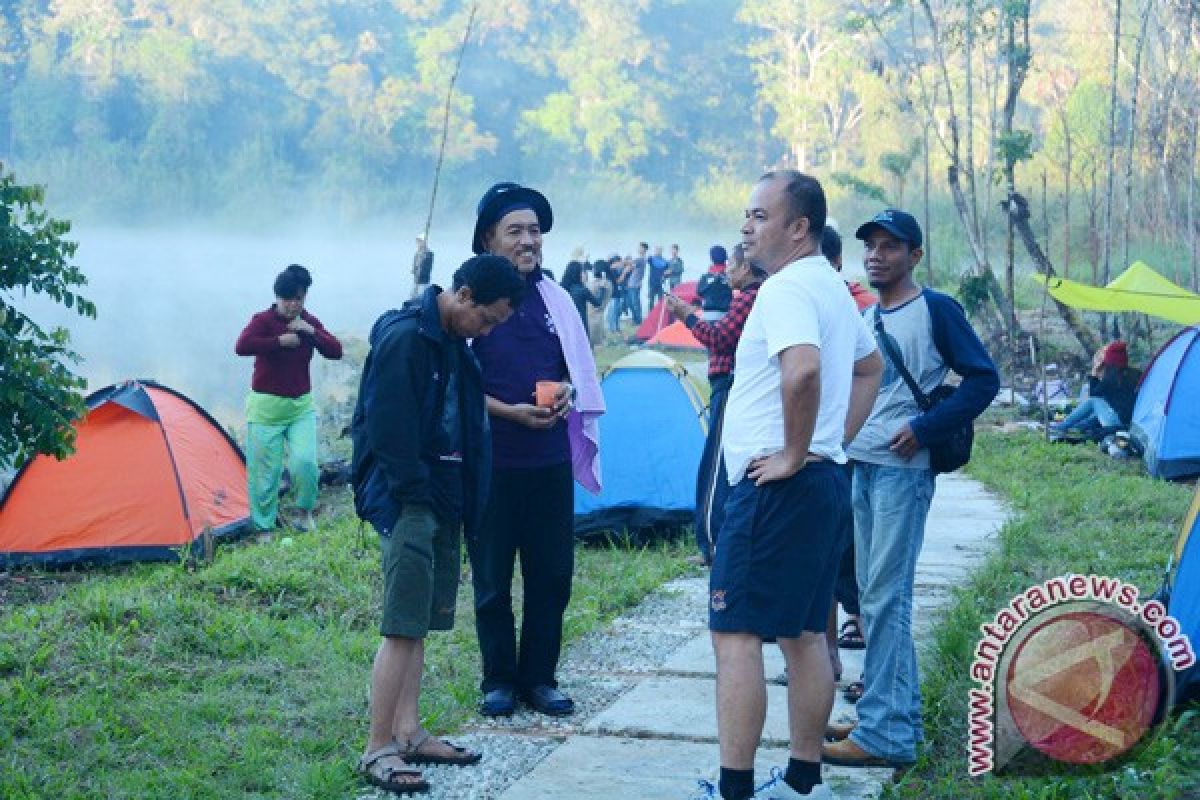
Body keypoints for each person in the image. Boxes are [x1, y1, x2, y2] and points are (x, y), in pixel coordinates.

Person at [709, 171, 882, 800]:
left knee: (735, 635)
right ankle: (802, 781)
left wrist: (793, 451)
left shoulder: (785, 288)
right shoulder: (831, 286)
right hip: (821, 485)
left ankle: (735, 789)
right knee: (806, 633)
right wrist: (830, 444)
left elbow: (803, 371)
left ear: (798, 226)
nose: (746, 226)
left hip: (776, 490)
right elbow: (869, 368)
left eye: (758, 215)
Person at [824, 209, 999, 769]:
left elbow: (983, 378)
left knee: (886, 598)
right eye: (870, 246)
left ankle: (888, 736)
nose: (876, 255)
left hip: (903, 472)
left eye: (890, 246)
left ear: (915, 255)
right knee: (870, 594)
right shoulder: (870, 315)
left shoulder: (936, 309)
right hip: (864, 465)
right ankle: (883, 713)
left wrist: (924, 429)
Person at [351, 254, 525, 796]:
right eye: (488, 319)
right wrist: (412, 493)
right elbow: (387, 426)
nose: (487, 330)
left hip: (443, 498)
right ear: (465, 295)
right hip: (411, 502)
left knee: (421, 623)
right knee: (401, 625)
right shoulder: (408, 339)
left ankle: (409, 731)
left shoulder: (454, 343)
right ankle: (378, 747)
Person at [467, 182, 605, 718]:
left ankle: (540, 679)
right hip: (491, 464)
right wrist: (509, 412)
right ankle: (498, 680)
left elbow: (577, 366)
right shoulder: (470, 296)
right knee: (491, 578)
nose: (529, 241)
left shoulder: (557, 300)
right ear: (488, 239)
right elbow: (454, 388)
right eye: (515, 231)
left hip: (547, 462)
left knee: (551, 575)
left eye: (535, 231)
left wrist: (568, 390)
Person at [666, 242, 764, 564]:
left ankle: (711, 545)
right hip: (734, 386)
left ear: (746, 268)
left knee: (714, 467)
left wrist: (686, 316)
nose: (729, 274)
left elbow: (719, 338)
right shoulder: (753, 296)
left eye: (733, 268)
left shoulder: (748, 299)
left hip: (729, 385)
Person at [235, 264, 343, 533]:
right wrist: (278, 342)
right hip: (265, 408)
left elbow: (336, 351)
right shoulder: (262, 321)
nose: (293, 305)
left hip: (300, 407)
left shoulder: (308, 322)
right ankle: (264, 527)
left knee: (305, 463)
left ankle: (303, 513)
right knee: (264, 474)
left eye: (299, 298)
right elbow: (242, 346)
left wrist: (310, 331)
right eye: (287, 299)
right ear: (277, 297)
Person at [1048, 341, 1138, 439]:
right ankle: (1072, 428)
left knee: (1093, 402)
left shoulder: (1112, 377)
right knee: (1094, 416)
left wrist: (1094, 373)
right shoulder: (1136, 374)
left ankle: (1061, 427)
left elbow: (1094, 395)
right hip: (1130, 422)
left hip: (1117, 423)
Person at [561, 260, 607, 344]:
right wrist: (602, 288)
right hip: (580, 324)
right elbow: (597, 303)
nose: (585, 274)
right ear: (578, 274)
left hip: (565, 325)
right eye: (583, 272)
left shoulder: (561, 289)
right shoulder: (582, 290)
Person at [696, 245, 733, 322]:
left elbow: (699, 292)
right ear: (726, 257)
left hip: (707, 314)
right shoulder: (732, 275)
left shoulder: (706, 277)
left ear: (711, 258)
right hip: (727, 316)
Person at [625, 244, 647, 324]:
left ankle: (638, 320)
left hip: (635, 284)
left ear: (644, 249)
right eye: (639, 247)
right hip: (632, 283)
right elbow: (631, 266)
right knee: (631, 303)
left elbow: (629, 265)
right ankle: (635, 319)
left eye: (640, 248)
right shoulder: (641, 259)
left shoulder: (641, 259)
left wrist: (626, 260)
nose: (638, 249)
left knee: (635, 303)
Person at [411, 235, 434, 299]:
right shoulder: (417, 253)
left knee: (422, 297)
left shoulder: (429, 253)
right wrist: (414, 269)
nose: (418, 244)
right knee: (413, 297)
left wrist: (423, 258)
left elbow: (426, 268)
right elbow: (414, 266)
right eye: (417, 242)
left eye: (419, 242)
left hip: (424, 281)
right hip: (416, 281)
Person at [647, 244, 669, 309]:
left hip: (661, 283)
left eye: (659, 250)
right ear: (655, 251)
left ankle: (659, 315)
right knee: (651, 300)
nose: (658, 251)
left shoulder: (665, 261)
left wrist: (665, 276)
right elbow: (647, 259)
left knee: (661, 300)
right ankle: (650, 315)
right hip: (652, 283)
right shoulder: (651, 259)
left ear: (662, 251)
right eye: (657, 250)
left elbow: (667, 273)